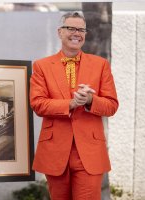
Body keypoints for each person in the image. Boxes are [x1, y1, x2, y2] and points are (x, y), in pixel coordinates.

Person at [30, 12, 118, 200]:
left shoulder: (101, 65)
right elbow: (37, 104)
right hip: (55, 150)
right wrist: (70, 104)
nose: (76, 33)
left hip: (89, 152)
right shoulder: (41, 66)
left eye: (81, 29)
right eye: (71, 28)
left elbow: (111, 106)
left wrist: (89, 101)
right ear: (60, 32)